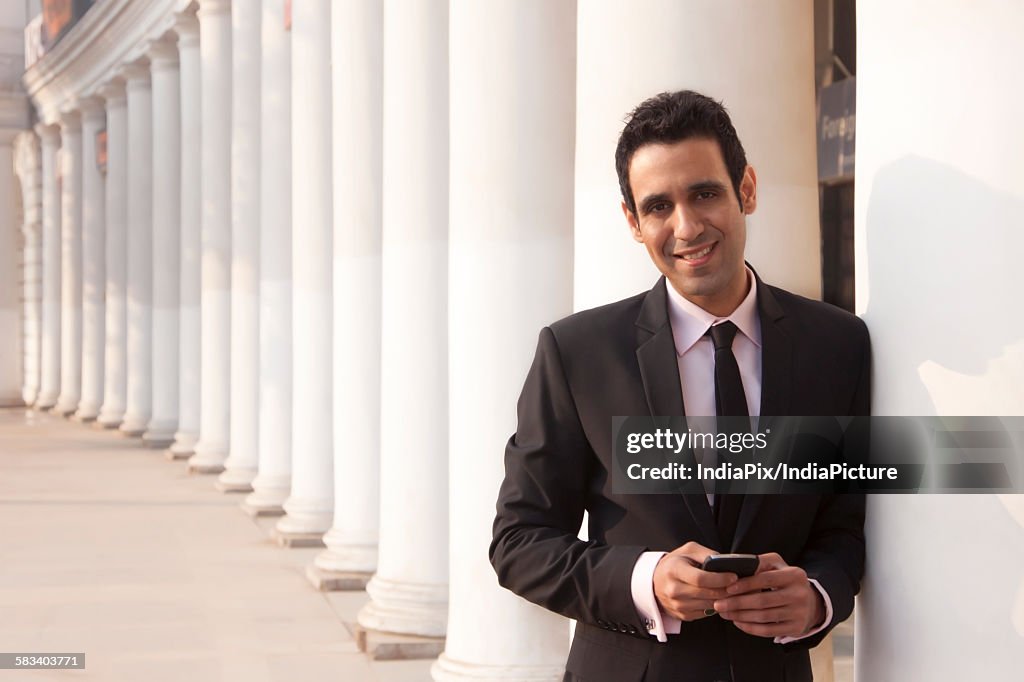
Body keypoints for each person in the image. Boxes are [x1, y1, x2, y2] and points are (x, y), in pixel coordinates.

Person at [489, 90, 870, 682]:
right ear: (633, 222)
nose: (686, 226)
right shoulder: (577, 354)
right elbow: (519, 541)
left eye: (705, 193)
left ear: (745, 189)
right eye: (658, 206)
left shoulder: (838, 346)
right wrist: (647, 578)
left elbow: (845, 525)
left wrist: (818, 595)